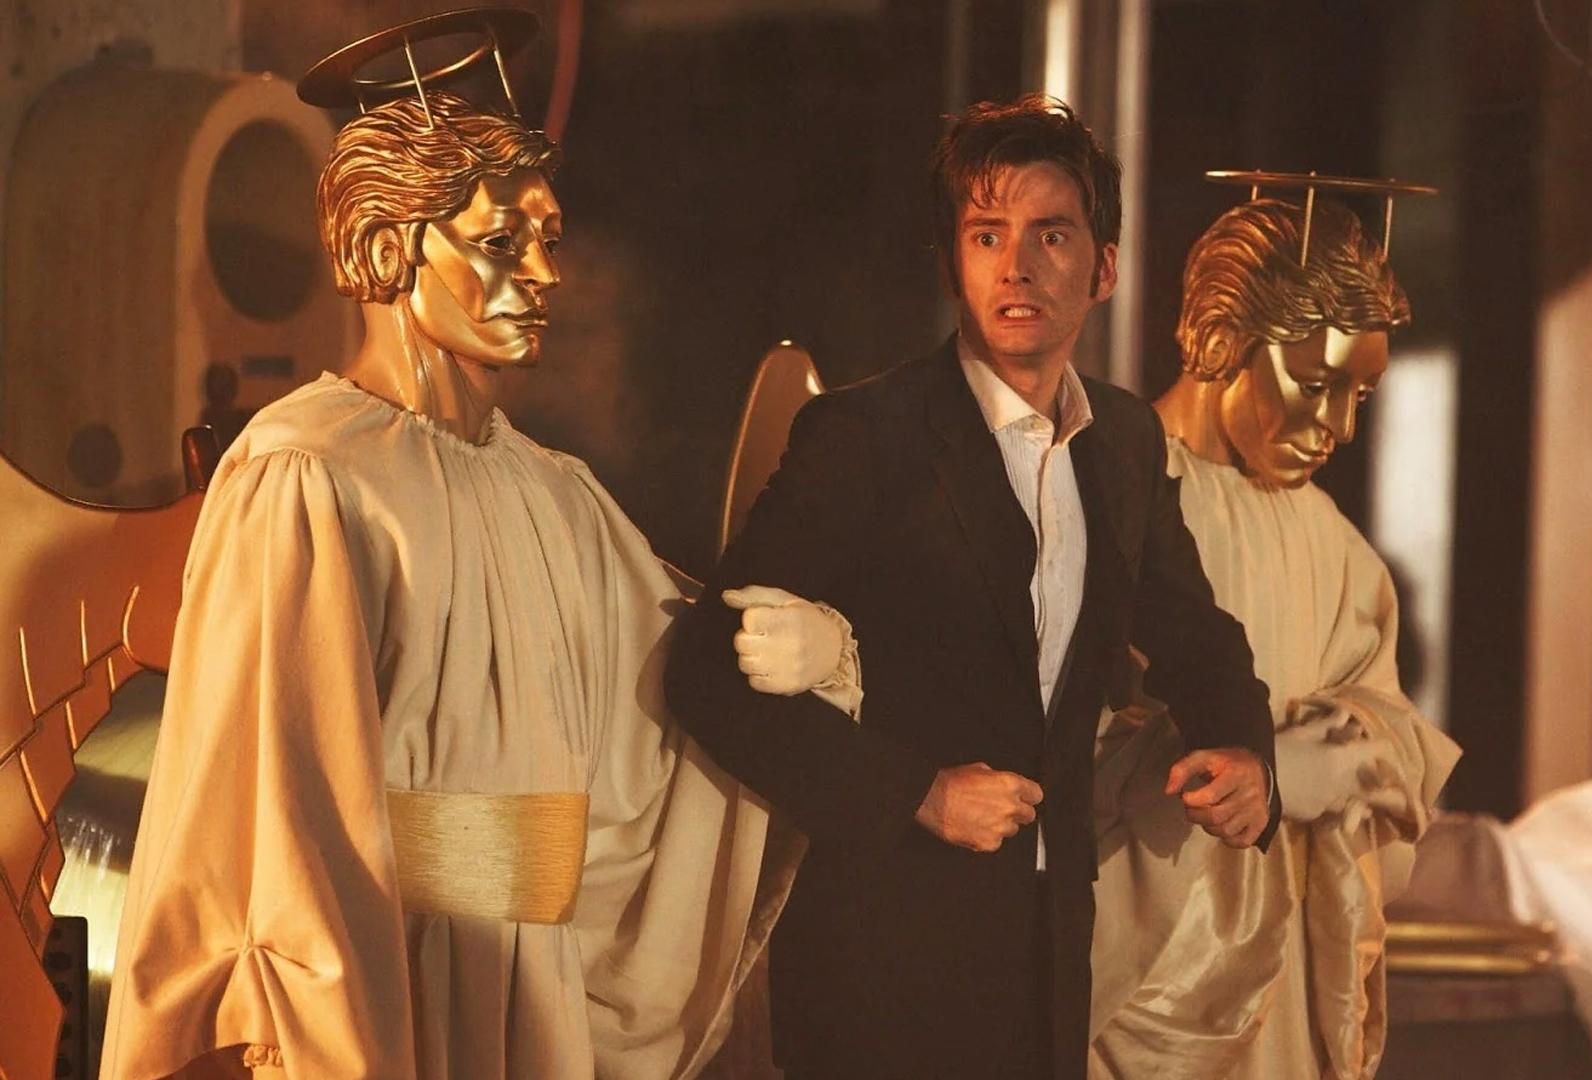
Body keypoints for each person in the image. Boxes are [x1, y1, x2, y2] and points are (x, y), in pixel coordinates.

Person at [99, 89, 854, 1080]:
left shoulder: (555, 491)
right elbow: (280, 809)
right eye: (502, 241)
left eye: (549, 238)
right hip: (380, 987)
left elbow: (673, 720)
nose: (544, 272)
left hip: (531, 986)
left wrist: (817, 647)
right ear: (389, 248)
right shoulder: (310, 475)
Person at [664, 95, 1279, 1080]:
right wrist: (916, 794)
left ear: (1105, 268)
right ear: (954, 262)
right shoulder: (865, 437)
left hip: (1051, 952)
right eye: (987, 235)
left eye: (1051, 235)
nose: (1015, 266)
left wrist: (1243, 750)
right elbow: (706, 670)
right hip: (877, 957)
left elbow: (1195, 634)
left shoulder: (1125, 440)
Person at [1089, 197, 1461, 1078]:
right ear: (1224, 341)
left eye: (1362, 394)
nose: (1341, 427)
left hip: (1287, 963)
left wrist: (1346, 754)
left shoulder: (1336, 545)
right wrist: (1229, 767)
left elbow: (1396, 728)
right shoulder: (1112, 489)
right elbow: (1043, 725)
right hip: (1152, 966)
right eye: (1315, 384)